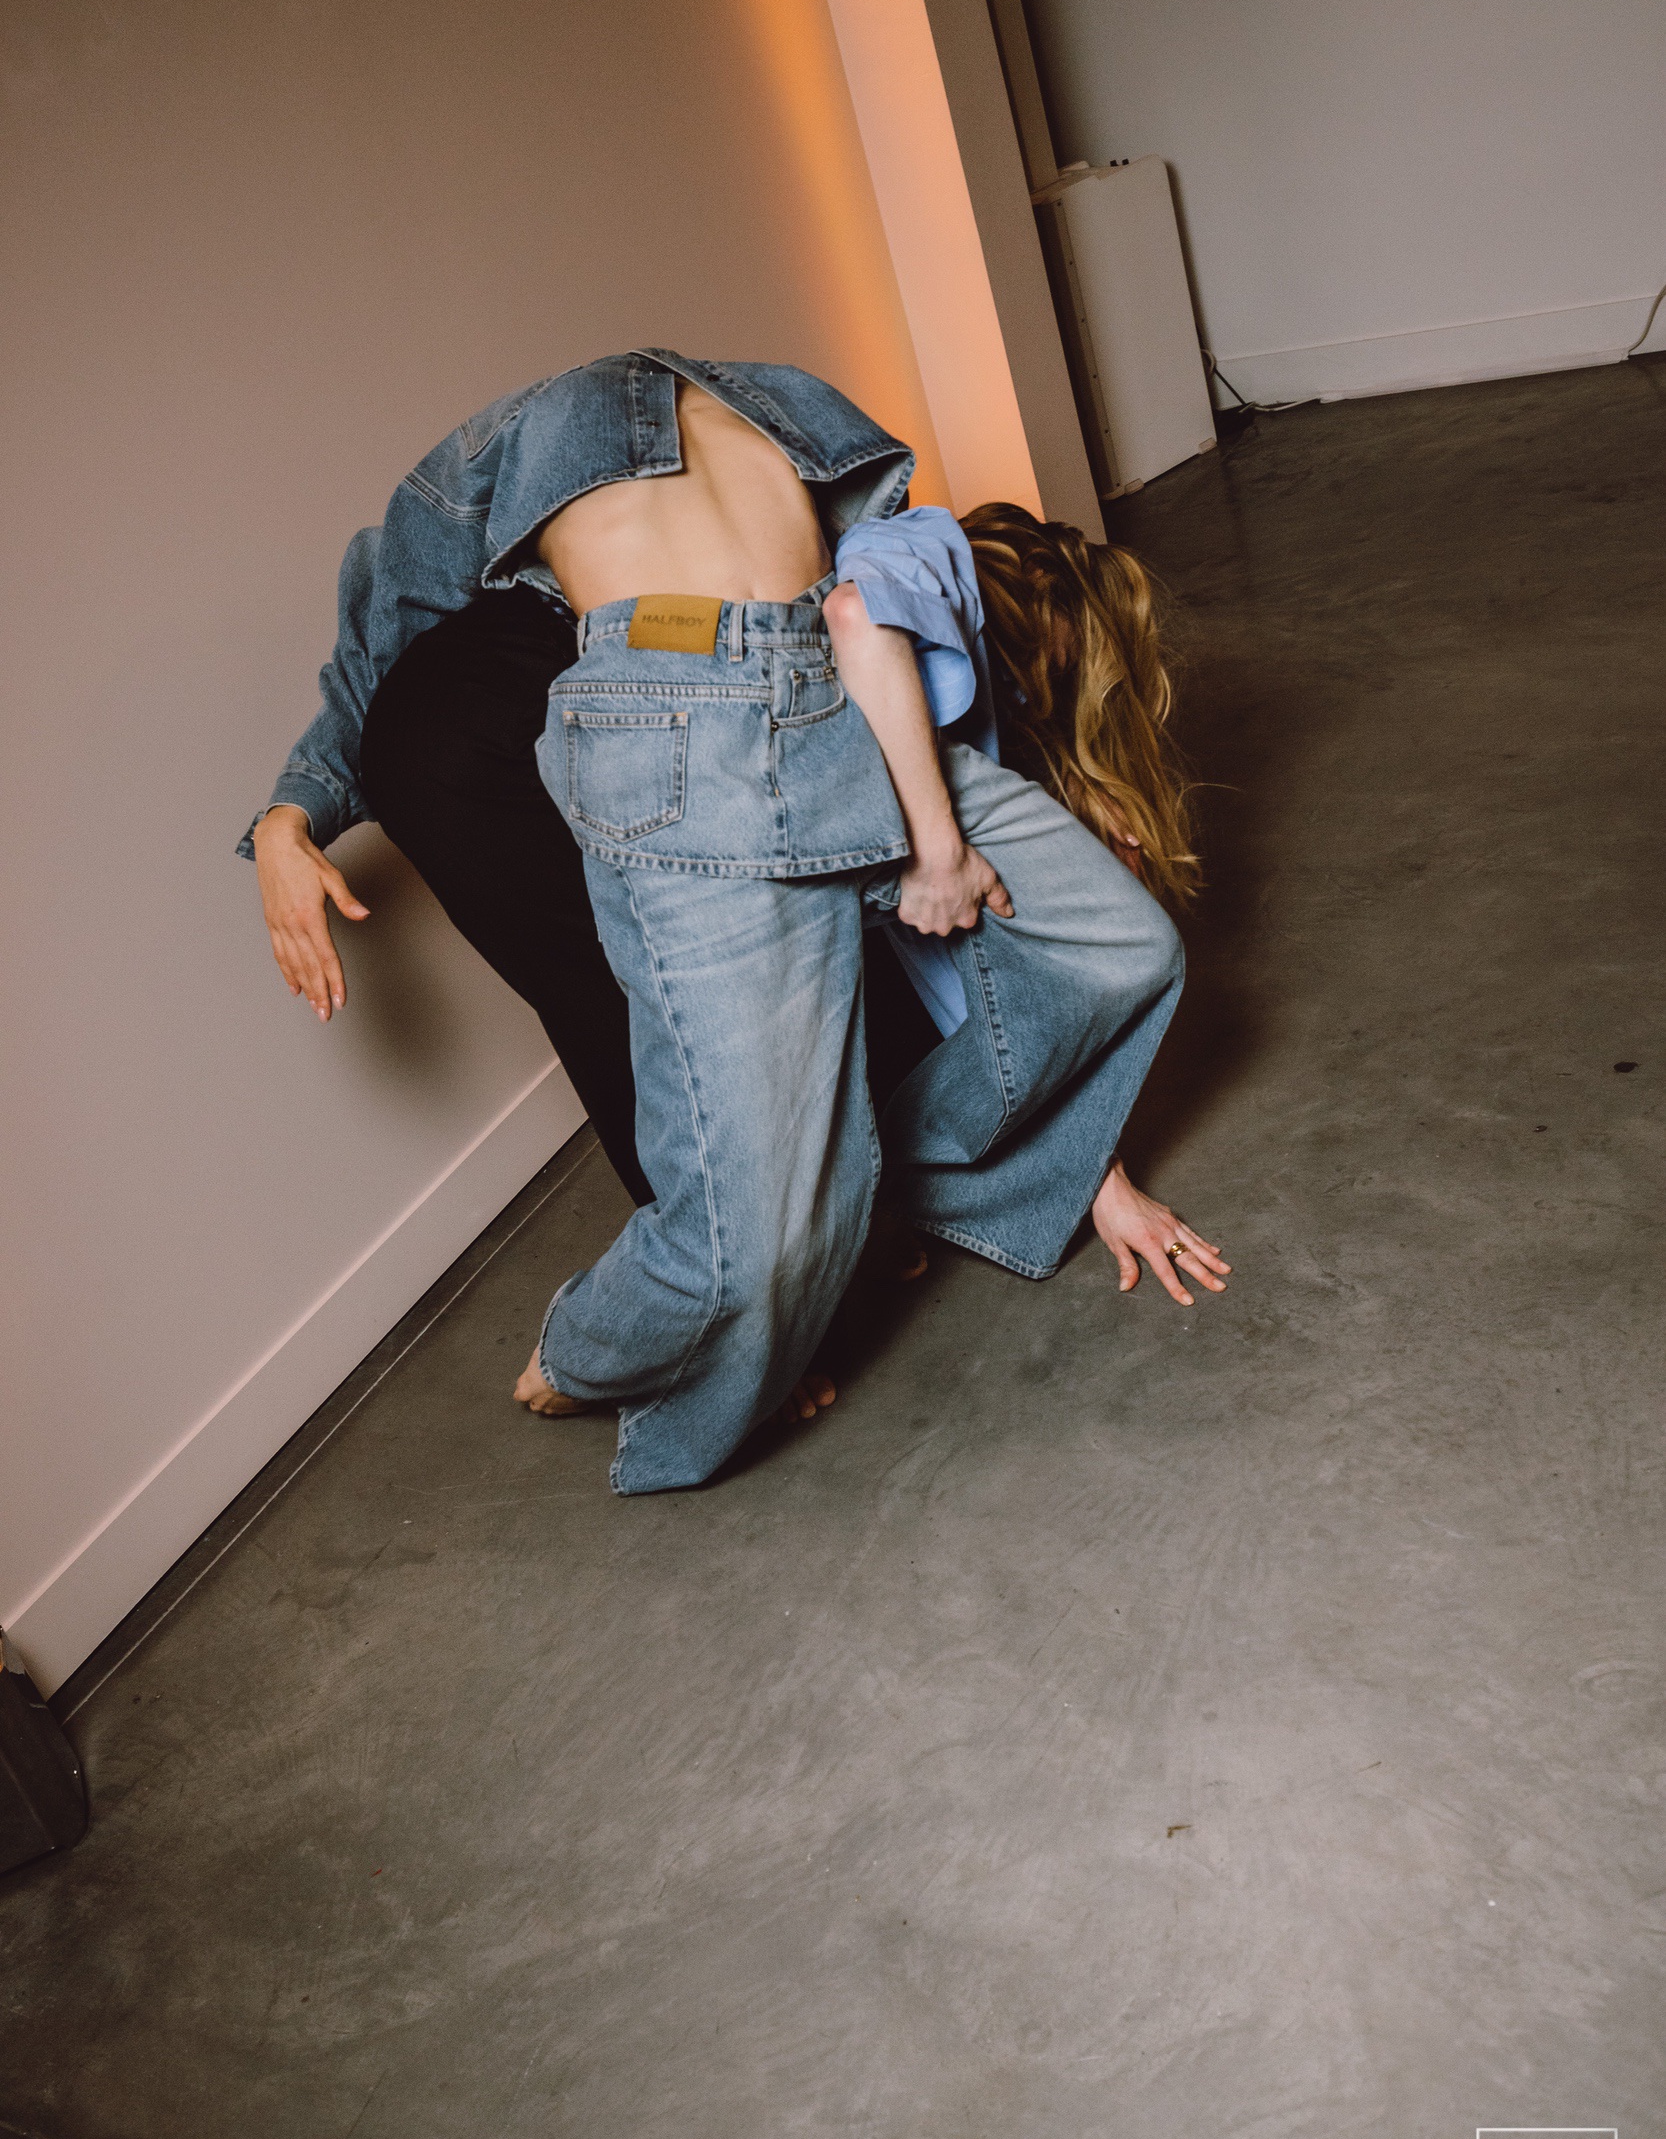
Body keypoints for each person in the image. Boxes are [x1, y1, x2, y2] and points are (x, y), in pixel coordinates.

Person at [247, 352, 1225, 1496]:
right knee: (719, 1149)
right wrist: (292, 812)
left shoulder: (781, 414)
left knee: (1112, 946)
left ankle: (877, 1187)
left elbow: (870, 638)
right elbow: (383, 641)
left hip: (809, 688)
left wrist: (1088, 1165)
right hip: (643, 718)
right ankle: (617, 1342)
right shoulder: (560, 437)